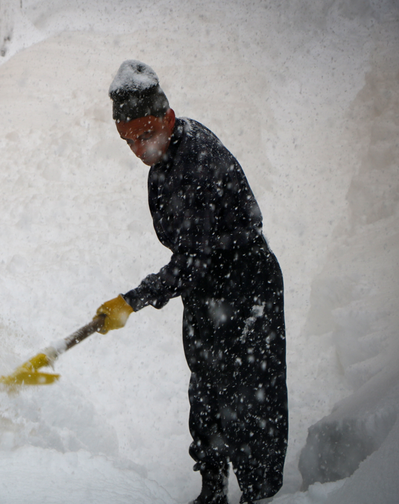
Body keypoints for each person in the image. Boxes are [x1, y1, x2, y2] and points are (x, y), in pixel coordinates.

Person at [94, 60, 288, 504]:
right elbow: (192, 259)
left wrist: (133, 300)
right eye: (127, 140)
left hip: (246, 284)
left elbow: (194, 260)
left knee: (250, 399)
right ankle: (212, 490)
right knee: (206, 392)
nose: (139, 149)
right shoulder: (166, 156)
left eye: (144, 134)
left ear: (166, 116)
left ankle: (258, 495)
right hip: (208, 290)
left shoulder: (197, 161)